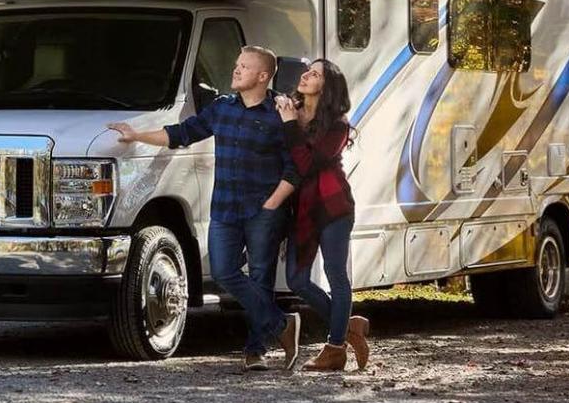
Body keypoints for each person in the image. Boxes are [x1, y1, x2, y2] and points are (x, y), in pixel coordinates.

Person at [108, 46, 302, 371]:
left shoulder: (279, 114)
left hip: (264, 213)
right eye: (237, 64)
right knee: (224, 273)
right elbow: (182, 134)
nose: (236, 70)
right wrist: (137, 134)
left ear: (263, 76)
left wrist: (274, 207)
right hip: (225, 209)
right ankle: (283, 325)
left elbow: (294, 167)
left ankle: (256, 351)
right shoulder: (222, 109)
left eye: (245, 67)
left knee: (260, 279)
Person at [274, 58, 371, 371]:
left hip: (333, 208)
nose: (306, 76)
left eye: (314, 74)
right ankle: (348, 326)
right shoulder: (289, 111)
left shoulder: (338, 125)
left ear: (326, 87)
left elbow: (306, 163)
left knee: (335, 275)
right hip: (301, 209)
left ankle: (334, 348)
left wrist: (290, 124)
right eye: (307, 71)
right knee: (297, 280)